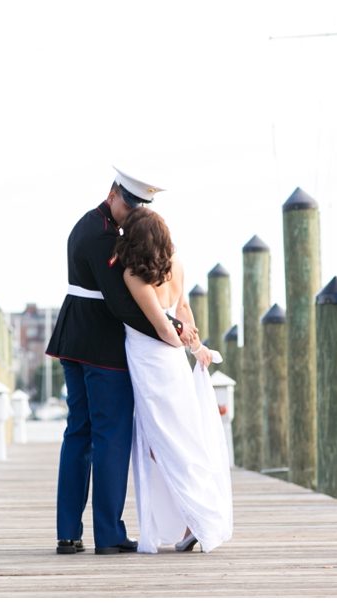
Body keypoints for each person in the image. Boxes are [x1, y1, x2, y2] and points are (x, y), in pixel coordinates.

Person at [46, 166, 199, 555]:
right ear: (112, 193)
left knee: (78, 432)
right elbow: (124, 307)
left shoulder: (88, 223)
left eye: (138, 207)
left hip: (74, 339)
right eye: (128, 203)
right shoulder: (104, 239)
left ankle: (68, 533)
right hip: (100, 347)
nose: (131, 213)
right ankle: (109, 535)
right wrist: (174, 332)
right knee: (109, 437)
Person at [115, 206, 233, 553]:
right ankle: (188, 524)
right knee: (179, 439)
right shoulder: (176, 266)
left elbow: (163, 327)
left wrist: (183, 338)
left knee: (161, 444)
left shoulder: (133, 277)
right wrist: (196, 347)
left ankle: (192, 519)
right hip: (174, 365)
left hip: (152, 364)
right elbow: (183, 313)